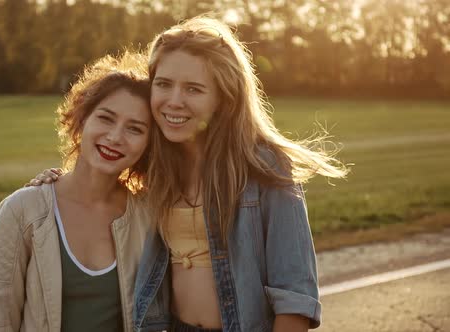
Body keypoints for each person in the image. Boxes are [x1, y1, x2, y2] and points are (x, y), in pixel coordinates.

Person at [29, 16, 348, 332]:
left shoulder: (264, 167)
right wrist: (55, 180)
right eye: (164, 84)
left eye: (193, 89)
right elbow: (99, 176)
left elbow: (295, 299)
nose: (174, 101)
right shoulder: (156, 165)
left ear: (224, 97)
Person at [0, 52, 154, 332]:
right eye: (106, 119)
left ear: (148, 144)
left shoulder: (148, 216)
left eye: (135, 129)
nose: (115, 137)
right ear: (82, 120)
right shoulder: (22, 211)